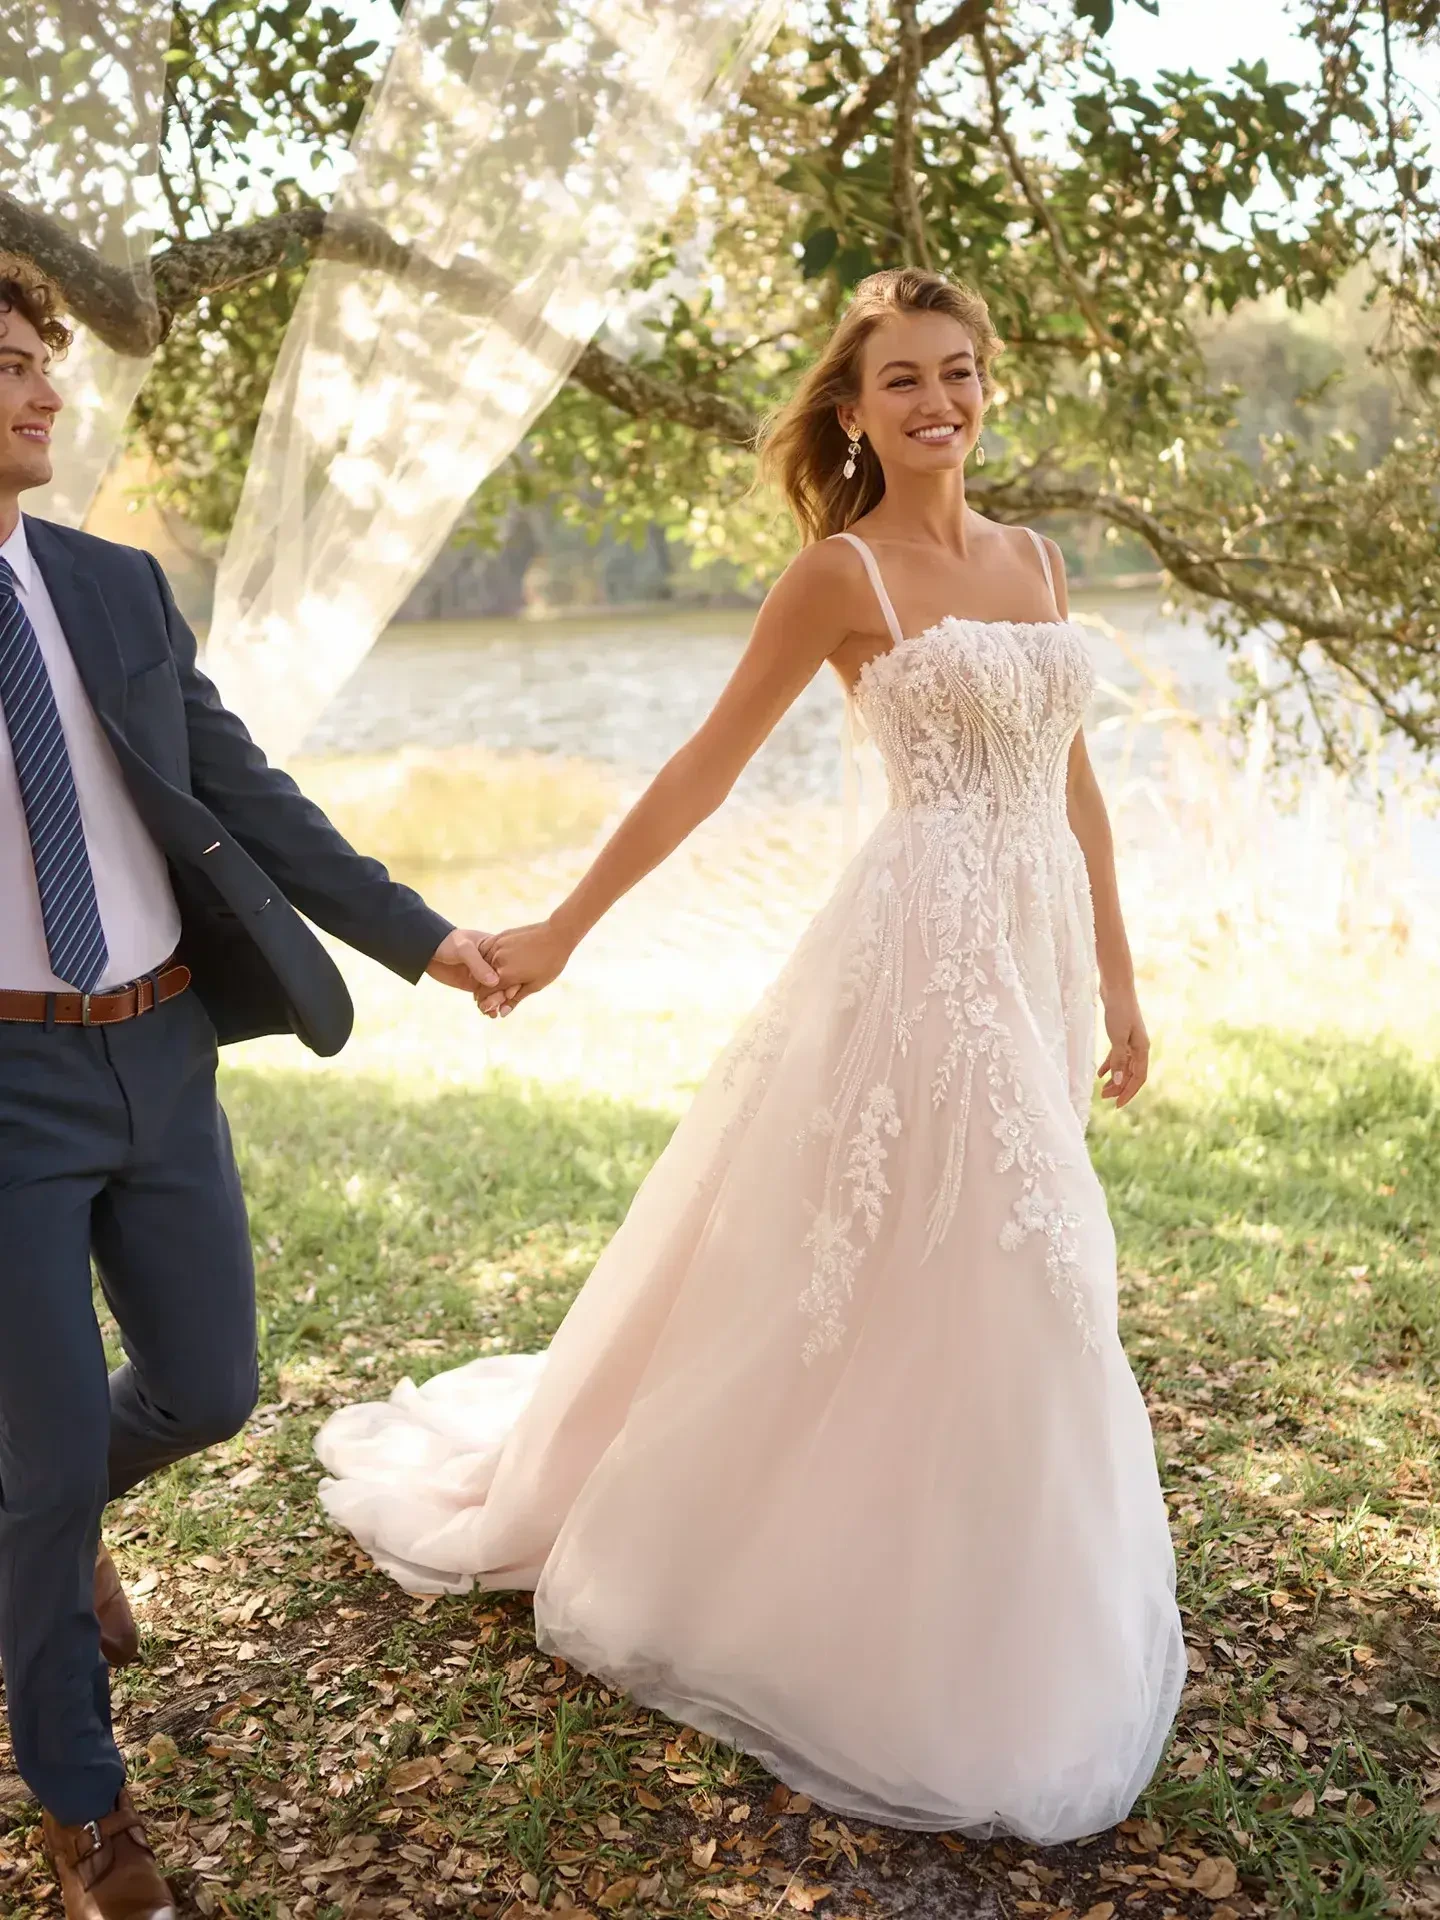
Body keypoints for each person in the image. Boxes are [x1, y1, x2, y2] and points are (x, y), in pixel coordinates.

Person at [316, 267, 1186, 1843]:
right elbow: (700, 772)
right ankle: (901, 1615)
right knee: (1026, 1252)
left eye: (962, 371)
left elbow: (1076, 786)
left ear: (989, 386)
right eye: (904, 382)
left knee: (982, 1256)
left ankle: (965, 1548)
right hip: (923, 952)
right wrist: (568, 928)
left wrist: (1121, 974)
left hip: (1037, 943)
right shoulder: (840, 577)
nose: (941, 402)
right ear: (852, 414)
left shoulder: (1039, 559)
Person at [0, 256, 508, 1920]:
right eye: (10, 367)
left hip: (156, 1044)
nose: (44, 395)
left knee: (210, 1387)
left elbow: (248, 796)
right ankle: (86, 1810)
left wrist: (420, 937)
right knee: (47, 1435)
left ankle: (54, 1512)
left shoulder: (116, 590)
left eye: (42, 367)